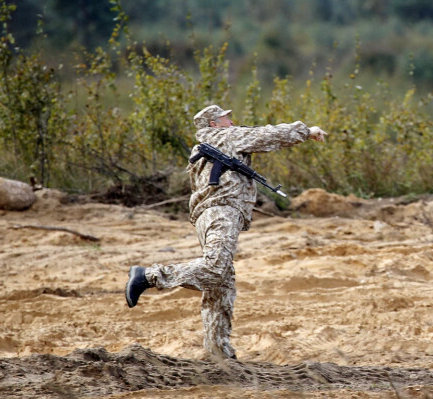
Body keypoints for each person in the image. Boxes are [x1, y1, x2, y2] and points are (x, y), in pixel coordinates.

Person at [124, 104, 327, 360]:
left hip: (208, 214)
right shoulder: (222, 137)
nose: (231, 122)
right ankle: (149, 276)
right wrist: (306, 131)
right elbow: (265, 135)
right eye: (225, 118)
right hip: (221, 211)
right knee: (216, 268)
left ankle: (219, 354)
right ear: (213, 124)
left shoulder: (205, 147)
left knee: (221, 284)